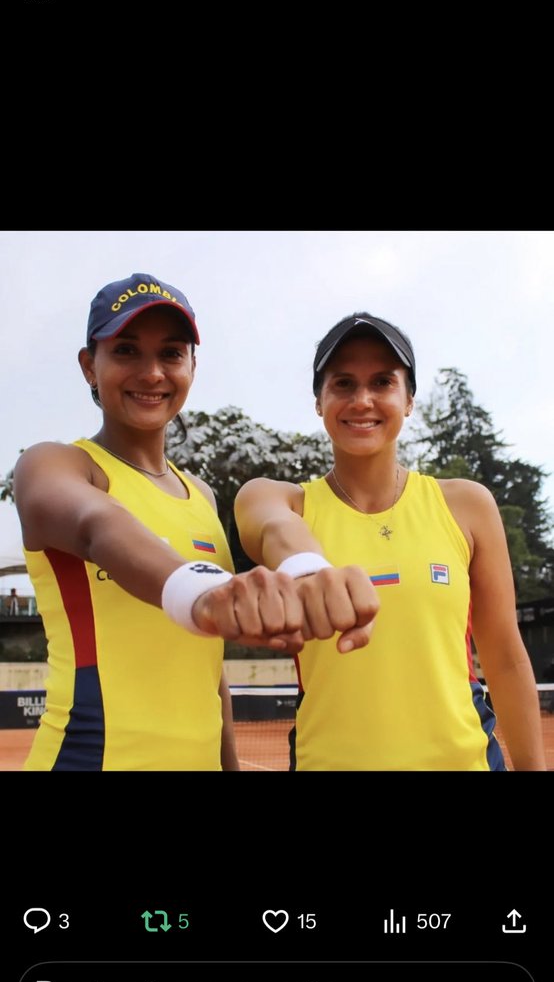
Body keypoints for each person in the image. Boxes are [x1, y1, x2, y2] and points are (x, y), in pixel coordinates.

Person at [14, 274, 378, 772]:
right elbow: (97, 525)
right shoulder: (55, 464)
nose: (152, 373)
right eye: (126, 351)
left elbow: (210, 670)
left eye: (170, 353)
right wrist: (200, 593)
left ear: (191, 366)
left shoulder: (202, 495)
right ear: (89, 366)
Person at [235, 312, 547, 771]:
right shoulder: (282, 501)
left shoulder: (466, 505)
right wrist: (309, 569)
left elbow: (505, 658)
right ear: (319, 402)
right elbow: (273, 528)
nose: (362, 400)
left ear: (409, 400)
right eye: (343, 383)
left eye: (382, 382)